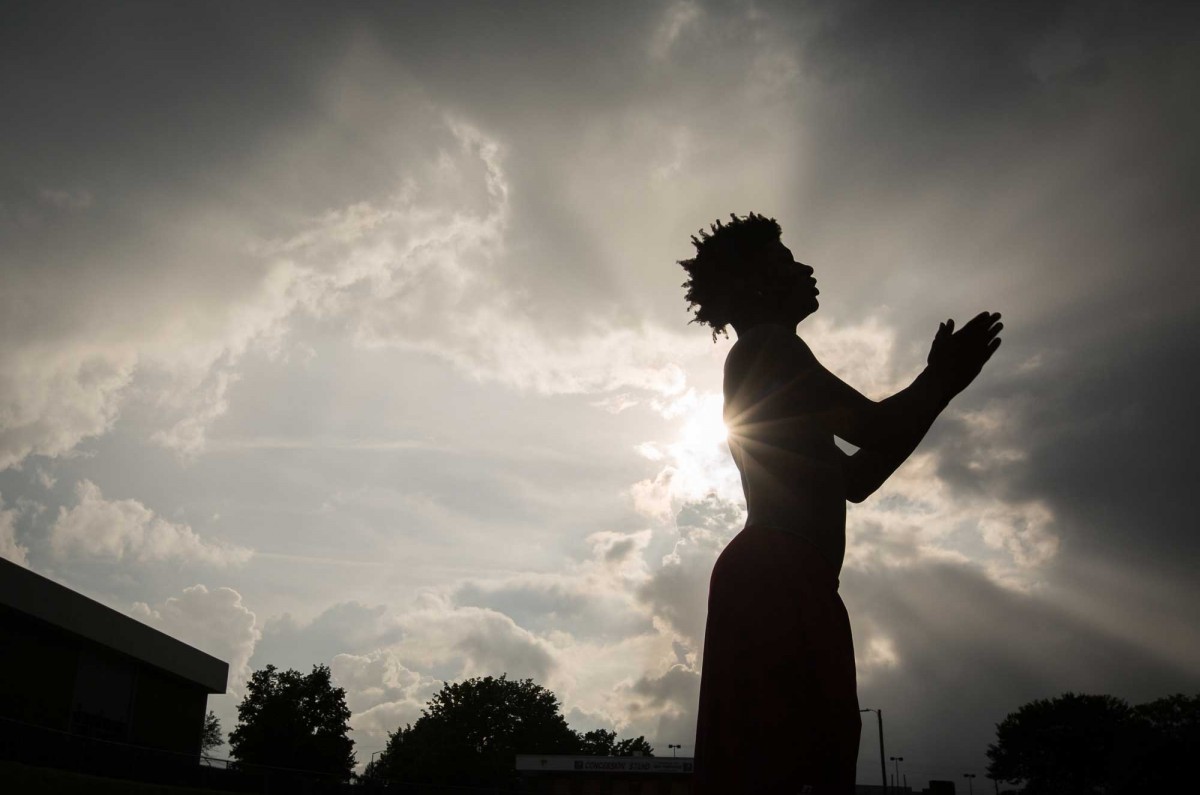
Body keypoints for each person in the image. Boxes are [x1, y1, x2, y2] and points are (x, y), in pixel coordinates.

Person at [681, 213, 1002, 794]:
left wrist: (941, 388)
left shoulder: (766, 359)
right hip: (778, 576)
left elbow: (856, 478)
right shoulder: (770, 347)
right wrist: (938, 379)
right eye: (785, 261)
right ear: (756, 280)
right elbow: (876, 430)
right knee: (797, 758)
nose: (804, 268)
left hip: (783, 574)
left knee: (788, 757)